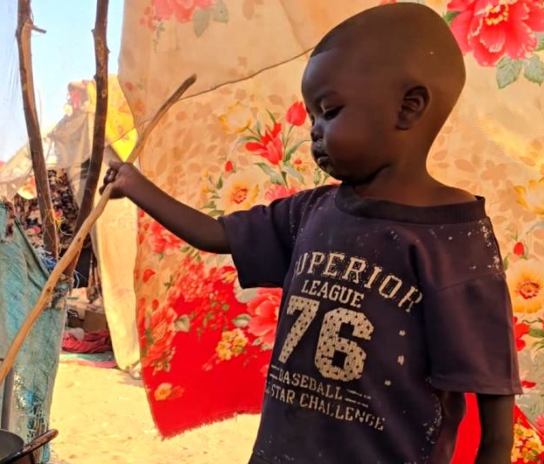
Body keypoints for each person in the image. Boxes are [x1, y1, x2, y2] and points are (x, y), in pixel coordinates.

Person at [102, 3, 520, 464]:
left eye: (330, 111)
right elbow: (216, 234)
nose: (315, 132)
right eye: (312, 118)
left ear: (408, 107)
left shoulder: (455, 241)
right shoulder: (310, 212)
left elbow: (494, 405)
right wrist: (134, 184)